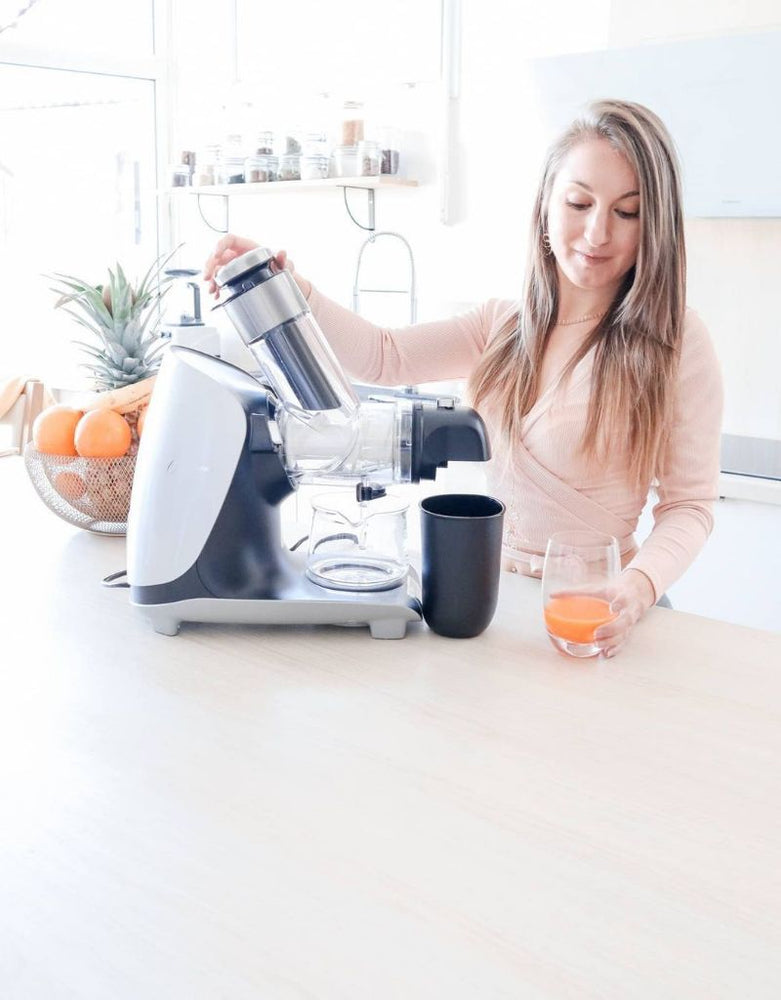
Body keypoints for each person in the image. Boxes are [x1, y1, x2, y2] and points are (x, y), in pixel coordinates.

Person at [203, 99, 723, 658]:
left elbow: (689, 506)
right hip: (496, 603)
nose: (597, 233)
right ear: (546, 206)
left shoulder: (675, 342)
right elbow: (384, 356)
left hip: (601, 613)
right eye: (579, 203)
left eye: (628, 212)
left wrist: (637, 589)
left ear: (654, 226)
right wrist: (286, 286)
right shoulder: (502, 326)